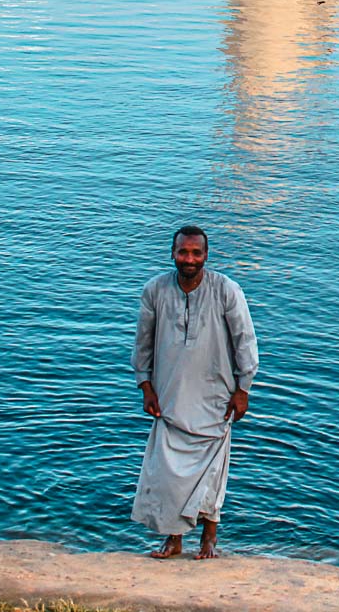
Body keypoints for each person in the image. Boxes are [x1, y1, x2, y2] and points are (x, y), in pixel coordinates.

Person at [131, 225, 259, 560]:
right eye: (183, 252)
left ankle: (208, 540)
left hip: (216, 398)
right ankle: (173, 540)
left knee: (212, 472)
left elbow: (245, 342)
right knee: (169, 472)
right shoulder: (155, 290)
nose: (189, 259)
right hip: (170, 397)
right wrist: (145, 386)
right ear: (172, 253)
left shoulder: (227, 290)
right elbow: (143, 342)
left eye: (196, 253)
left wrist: (242, 389)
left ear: (206, 255)